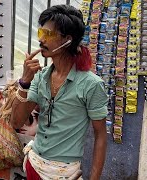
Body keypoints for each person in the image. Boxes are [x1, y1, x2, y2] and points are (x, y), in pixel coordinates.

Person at [11, 5, 108, 180]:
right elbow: (16, 121)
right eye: (41, 33)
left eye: (48, 35)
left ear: (67, 40)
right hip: (33, 165)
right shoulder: (40, 77)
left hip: (65, 172)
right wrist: (24, 82)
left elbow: (100, 135)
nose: (41, 40)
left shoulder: (91, 85)